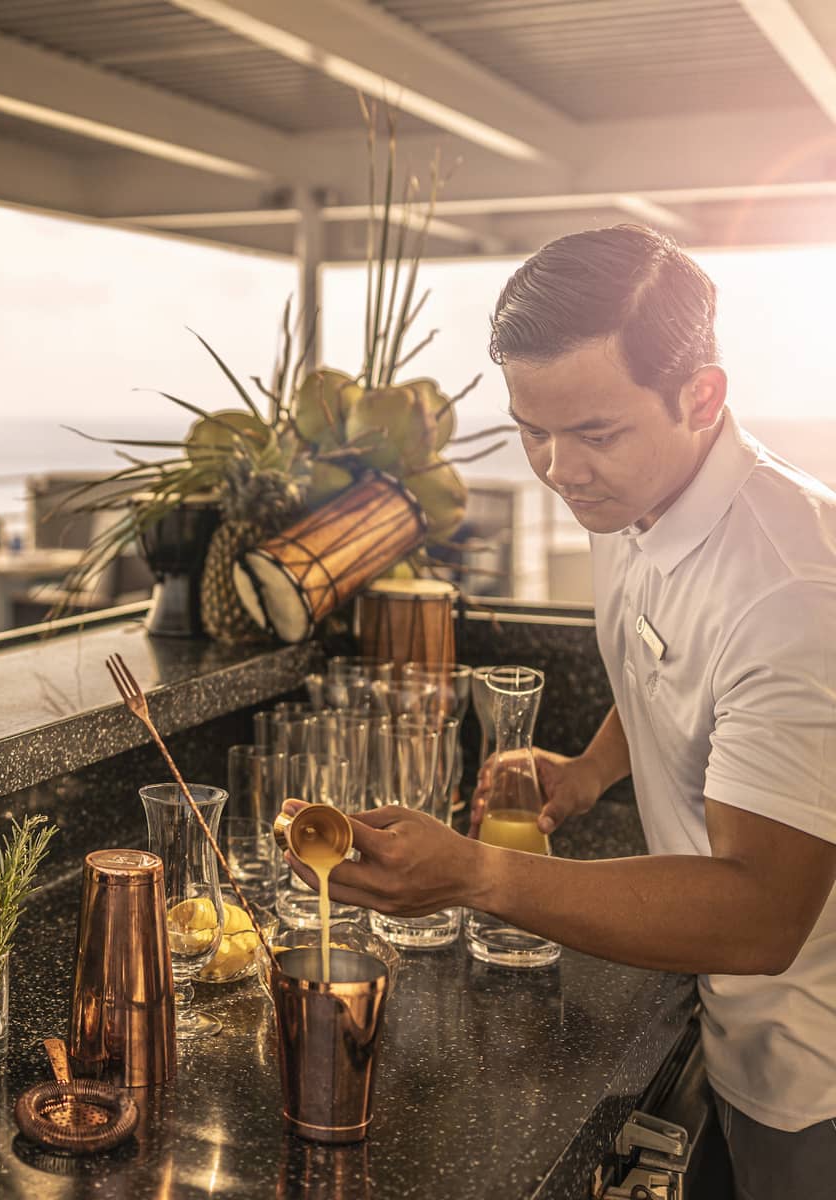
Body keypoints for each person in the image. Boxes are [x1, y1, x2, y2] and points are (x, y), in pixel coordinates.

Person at [282, 226, 836, 1199]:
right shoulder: (637, 493)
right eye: (530, 429)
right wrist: (587, 771)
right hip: (733, 1020)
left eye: (592, 433)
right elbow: (676, 666)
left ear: (702, 396)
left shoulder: (795, 587)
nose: (556, 468)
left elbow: (760, 915)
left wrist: (478, 874)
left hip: (816, 1064)